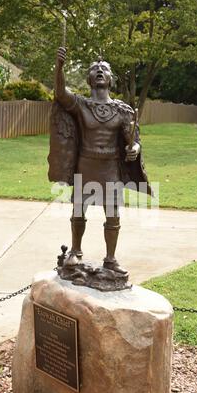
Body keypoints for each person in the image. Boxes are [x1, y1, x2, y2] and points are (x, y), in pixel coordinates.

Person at [48, 47, 151, 274]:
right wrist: (60, 67)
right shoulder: (81, 105)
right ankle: (75, 251)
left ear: (111, 79)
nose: (100, 71)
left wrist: (134, 148)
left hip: (111, 167)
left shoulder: (122, 110)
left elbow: (133, 139)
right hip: (86, 165)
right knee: (78, 209)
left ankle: (111, 259)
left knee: (112, 213)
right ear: (89, 79)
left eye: (104, 69)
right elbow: (60, 93)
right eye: (95, 69)